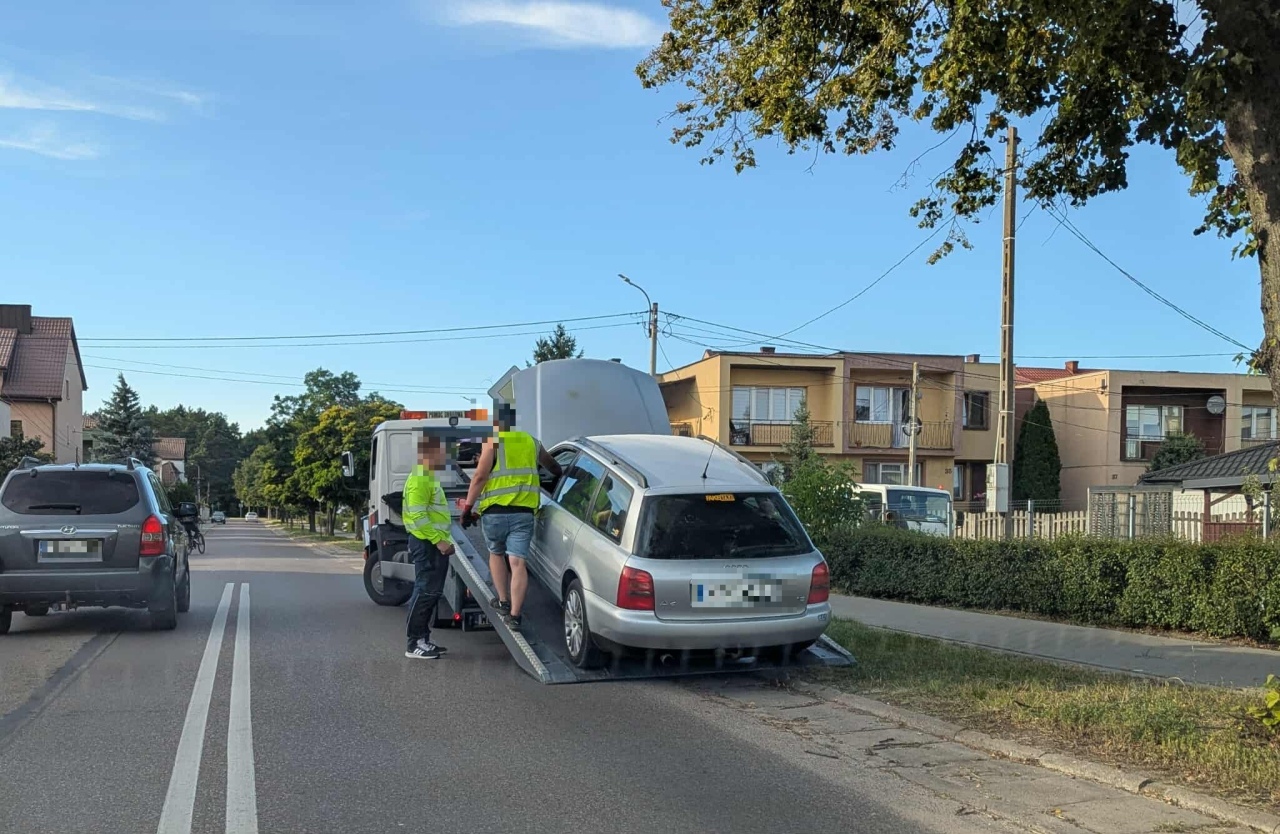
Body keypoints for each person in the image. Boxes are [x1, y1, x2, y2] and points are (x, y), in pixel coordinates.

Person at [459, 405, 561, 631]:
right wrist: (560, 476)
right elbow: (553, 466)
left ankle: (503, 601)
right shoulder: (531, 442)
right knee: (518, 563)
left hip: (494, 513)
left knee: (496, 553)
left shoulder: (492, 442)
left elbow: (480, 476)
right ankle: (515, 615)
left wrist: (468, 507)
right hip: (523, 513)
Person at [401, 434, 456, 660]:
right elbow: (419, 516)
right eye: (441, 451)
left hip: (430, 543)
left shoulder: (428, 477)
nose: (445, 456)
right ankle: (414, 643)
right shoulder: (421, 479)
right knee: (425, 591)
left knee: (431, 592)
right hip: (427, 544)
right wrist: (439, 541)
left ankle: (423, 639)